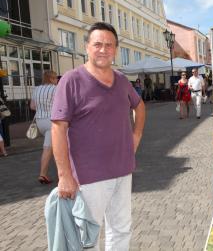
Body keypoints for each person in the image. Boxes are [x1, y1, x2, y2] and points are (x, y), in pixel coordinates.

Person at [50, 22, 145, 250]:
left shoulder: (122, 80)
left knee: (121, 229)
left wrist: (136, 136)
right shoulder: (71, 80)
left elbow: (139, 106)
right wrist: (64, 176)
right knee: (86, 237)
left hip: (123, 170)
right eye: (98, 44)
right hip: (88, 176)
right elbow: (58, 128)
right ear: (87, 47)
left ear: (116, 50)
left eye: (109, 45)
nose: (103, 50)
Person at [30, 70, 58, 184]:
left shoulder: (36, 89)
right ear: (51, 78)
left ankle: (57, 174)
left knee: (54, 148)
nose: (56, 80)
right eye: (55, 78)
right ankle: (43, 174)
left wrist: (42, 108)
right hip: (52, 121)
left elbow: (32, 106)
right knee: (49, 149)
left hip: (40, 122)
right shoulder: (55, 89)